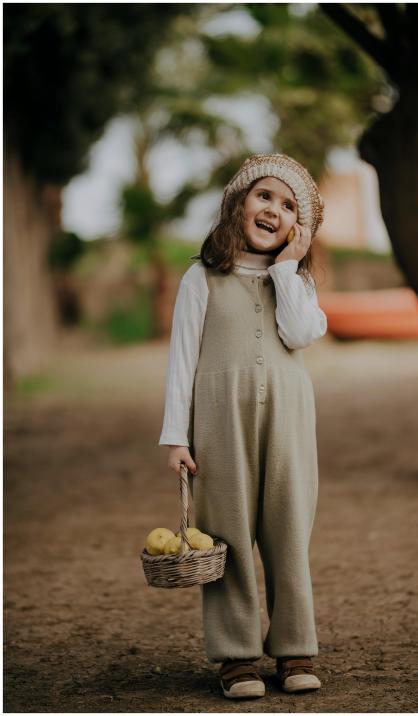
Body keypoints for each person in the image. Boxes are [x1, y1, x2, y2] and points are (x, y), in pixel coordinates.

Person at [159, 153, 328, 699]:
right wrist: (176, 437)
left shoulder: (295, 282)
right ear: (238, 203)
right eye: (264, 196)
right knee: (227, 531)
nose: (273, 210)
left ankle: (295, 647)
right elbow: (182, 360)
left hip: (288, 420)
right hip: (217, 421)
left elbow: (301, 334)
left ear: (297, 227)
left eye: (287, 205)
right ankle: (236, 658)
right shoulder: (201, 277)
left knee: (287, 528)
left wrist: (286, 267)